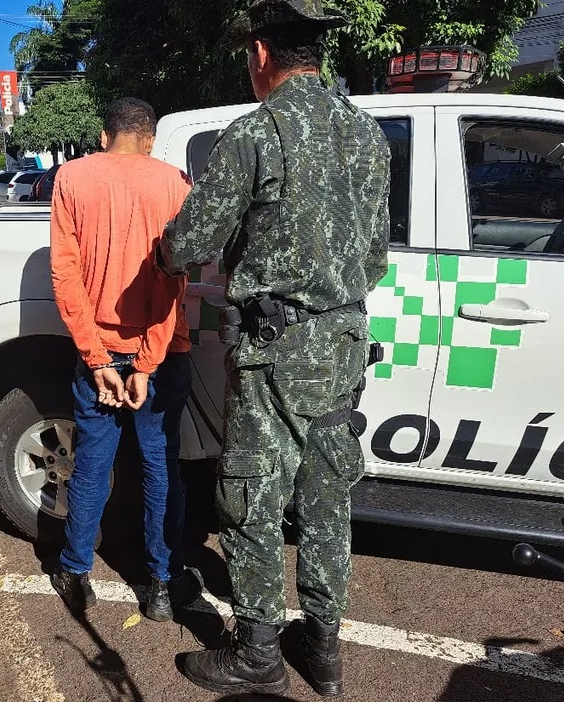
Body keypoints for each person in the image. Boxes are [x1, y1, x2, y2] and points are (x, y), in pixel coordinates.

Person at [156, 0, 391, 696]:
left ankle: (257, 653)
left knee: (252, 494)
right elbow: (374, 257)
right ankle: (322, 648)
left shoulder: (256, 133)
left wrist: (172, 250)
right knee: (327, 495)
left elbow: (186, 244)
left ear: (262, 54)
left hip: (276, 348)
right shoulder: (367, 134)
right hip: (344, 341)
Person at [49, 97, 201, 622]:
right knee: (160, 465)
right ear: (150, 140)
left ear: (103, 135)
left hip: (100, 352)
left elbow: (65, 276)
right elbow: (174, 282)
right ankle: (162, 585)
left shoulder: (71, 178)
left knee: (92, 461)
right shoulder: (174, 183)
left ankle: (75, 572)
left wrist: (98, 361)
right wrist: (147, 363)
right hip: (162, 352)